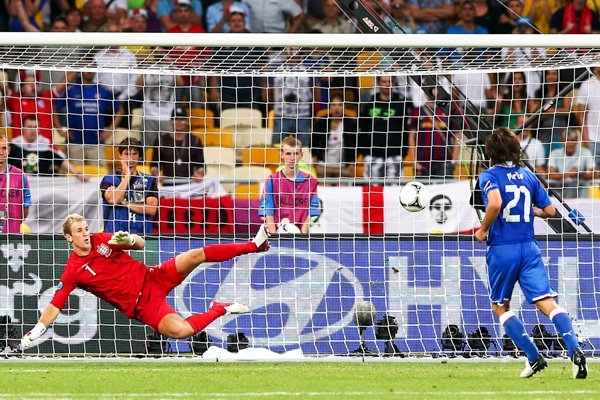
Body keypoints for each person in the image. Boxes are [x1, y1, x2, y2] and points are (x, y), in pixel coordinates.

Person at [20, 214, 271, 348]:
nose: (86, 233)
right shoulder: (73, 271)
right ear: (68, 237)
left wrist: (128, 240)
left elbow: (140, 243)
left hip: (153, 277)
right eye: (79, 231)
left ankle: (254, 245)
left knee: (195, 255)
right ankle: (220, 308)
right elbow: (57, 302)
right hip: (142, 306)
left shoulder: (102, 240)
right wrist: (39, 329)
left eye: (86, 228)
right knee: (181, 331)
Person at [475, 127, 587, 379]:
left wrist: (483, 230)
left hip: (503, 248)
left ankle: (534, 356)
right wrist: (530, 210)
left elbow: (494, 203)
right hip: (529, 247)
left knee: (501, 306)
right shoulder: (528, 176)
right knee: (548, 303)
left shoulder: (488, 175)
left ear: (490, 152)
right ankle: (574, 350)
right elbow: (549, 211)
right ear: (516, 150)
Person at [259, 136, 320, 234]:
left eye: (295, 154)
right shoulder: (271, 181)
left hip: (301, 236)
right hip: (276, 234)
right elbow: (268, 213)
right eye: (288, 154)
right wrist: (275, 237)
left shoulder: (310, 181)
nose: (292, 158)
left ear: (301, 155)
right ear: (281, 155)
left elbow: (310, 214)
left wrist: (301, 237)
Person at [100, 138, 158, 234]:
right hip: (114, 235)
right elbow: (114, 200)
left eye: (134, 154)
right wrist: (127, 176)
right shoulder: (109, 179)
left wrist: (125, 203)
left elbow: (151, 209)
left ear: (139, 156)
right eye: (127, 154)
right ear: (120, 155)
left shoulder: (149, 180)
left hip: (141, 235)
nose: (130, 158)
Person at [9, 115, 85, 181]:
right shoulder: (13, 146)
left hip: (41, 185)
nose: (33, 130)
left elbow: (62, 162)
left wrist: (78, 174)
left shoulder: (44, 144)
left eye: (36, 127)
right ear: (22, 129)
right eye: (29, 127)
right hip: (18, 184)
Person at [150, 104, 205, 184]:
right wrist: (157, 174)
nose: (179, 122)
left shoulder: (195, 141)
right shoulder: (161, 140)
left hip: (189, 185)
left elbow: (201, 166)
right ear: (171, 121)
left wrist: (199, 174)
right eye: (176, 119)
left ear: (187, 121)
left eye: (182, 119)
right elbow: (154, 165)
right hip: (168, 185)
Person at [547, 128, 596, 198]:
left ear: (577, 141)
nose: (570, 144)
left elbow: (594, 173)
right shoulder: (555, 153)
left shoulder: (585, 152)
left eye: (573, 141)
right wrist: (569, 174)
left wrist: (578, 174)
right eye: (567, 141)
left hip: (581, 188)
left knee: (574, 185)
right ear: (562, 141)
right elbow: (550, 175)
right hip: (559, 188)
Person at [0, 134, 31, 233]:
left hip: (12, 235)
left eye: (4, 148)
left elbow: (25, 211)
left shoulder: (20, 175)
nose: (1, 152)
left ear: (9, 150)